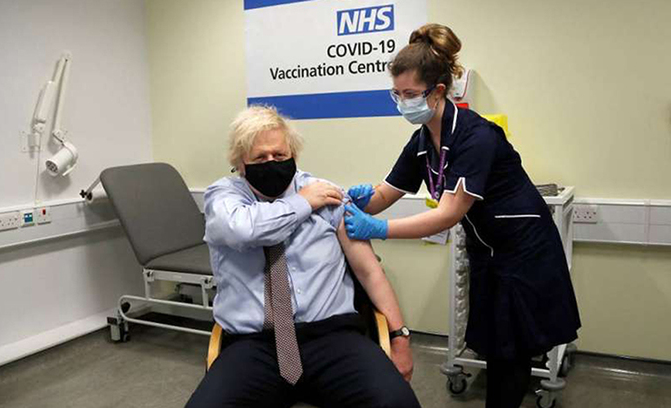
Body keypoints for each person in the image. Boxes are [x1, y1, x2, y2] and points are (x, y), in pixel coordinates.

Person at [343, 24, 581, 408]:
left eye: (410, 94)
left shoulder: (477, 136)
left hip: (525, 253)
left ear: (438, 91)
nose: (402, 103)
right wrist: (353, 201)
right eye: (397, 94)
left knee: (512, 352)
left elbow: (448, 214)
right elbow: (386, 193)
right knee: (496, 347)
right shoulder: (423, 140)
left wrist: (379, 228)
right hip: (488, 253)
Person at [185, 106, 420, 408]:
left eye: (280, 155)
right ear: (240, 163)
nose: (272, 163)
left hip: (332, 338)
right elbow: (244, 230)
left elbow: (369, 271)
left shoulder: (327, 195)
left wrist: (399, 337)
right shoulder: (224, 197)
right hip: (254, 345)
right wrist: (303, 203)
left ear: (293, 155)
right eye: (260, 158)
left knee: (396, 403)